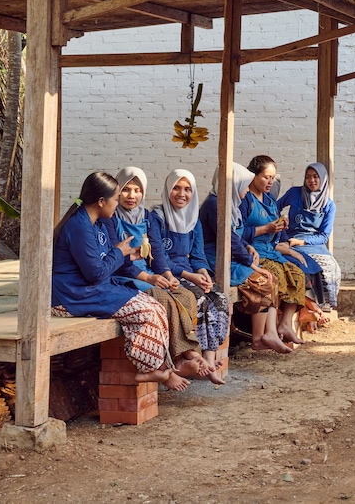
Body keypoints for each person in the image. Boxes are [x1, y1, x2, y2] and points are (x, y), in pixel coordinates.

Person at [52, 172, 192, 391]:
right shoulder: (79, 226)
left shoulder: (96, 223)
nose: (117, 203)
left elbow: (105, 260)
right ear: (101, 201)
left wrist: (127, 255)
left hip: (91, 289)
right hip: (72, 296)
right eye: (115, 198)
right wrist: (118, 251)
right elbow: (95, 273)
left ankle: (161, 366)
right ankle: (151, 368)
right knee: (147, 312)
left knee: (155, 306)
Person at [110, 167, 211, 379]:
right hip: (124, 277)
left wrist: (168, 275)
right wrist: (149, 278)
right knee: (163, 299)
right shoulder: (111, 218)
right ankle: (181, 357)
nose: (131, 195)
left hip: (148, 273)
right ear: (117, 191)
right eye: (126, 189)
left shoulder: (146, 217)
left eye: (137, 190)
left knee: (185, 295)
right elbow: (117, 261)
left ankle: (185, 356)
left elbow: (156, 250)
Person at [200, 163, 291, 354]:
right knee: (263, 279)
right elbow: (228, 240)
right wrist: (253, 265)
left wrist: (248, 247)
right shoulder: (214, 204)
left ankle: (266, 334)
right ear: (234, 184)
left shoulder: (229, 203)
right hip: (216, 259)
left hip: (230, 255)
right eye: (244, 186)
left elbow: (235, 236)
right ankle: (259, 337)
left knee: (270, 278)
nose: (247, 191)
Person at [152, 169, 230, 383]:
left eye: (187, 189)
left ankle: (209, 356)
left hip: (189, 273)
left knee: (220, 298)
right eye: (176, 188)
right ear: (168, 189)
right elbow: (159, 257)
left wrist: (203, 274)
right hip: (169, 273)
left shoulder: (194, 220)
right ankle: (201, 358)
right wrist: (191, 276)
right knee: (201, 300)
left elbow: (198, 255)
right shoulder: (157, 218)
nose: (181, 194)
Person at [242, 155, 329, 344]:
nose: (270, 182)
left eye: (272, 178)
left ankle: (285, 324)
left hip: (271, 250)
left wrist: (282, 229)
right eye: (266, 177)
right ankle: (270, 331)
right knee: (276, 276)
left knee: (297, 274)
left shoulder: (269, 200)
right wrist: (265, 229)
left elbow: (278, 232)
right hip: (253, 252)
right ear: (253, 176)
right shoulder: (245, 200)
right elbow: (237, 233)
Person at [277, 162, 342, 310]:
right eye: (308, 177)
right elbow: (274, 207)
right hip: (290, 239)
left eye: (315, 176)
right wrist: (282, 222)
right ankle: (307, 308)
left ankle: (322, 306)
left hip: (313, 244)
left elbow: (324, 236)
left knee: (331, 268)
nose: (311, 180)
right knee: (302, 266)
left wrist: (301, 242)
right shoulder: (294, 193)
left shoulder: (329, 205)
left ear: (323, 179)